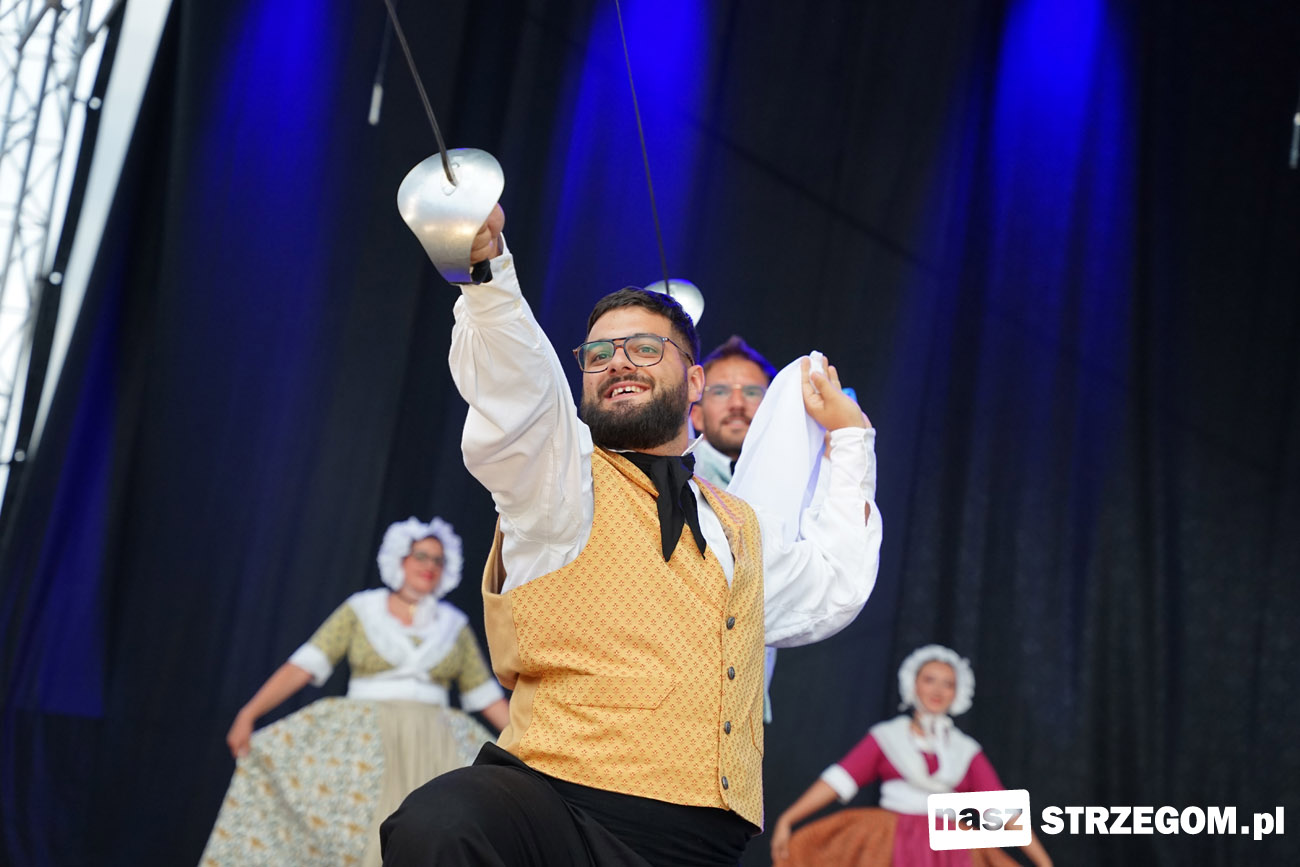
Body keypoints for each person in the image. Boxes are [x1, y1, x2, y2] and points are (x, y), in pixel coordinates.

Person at [380, 206, 883, 866]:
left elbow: (834, 582)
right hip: (554, 807)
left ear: (694, 381)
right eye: (599, 354)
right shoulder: (561, 482)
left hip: (694, 847)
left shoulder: (739, 528)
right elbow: (522, 395)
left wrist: (850, 438)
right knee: (444, 820)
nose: (619, 362)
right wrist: (486, 274)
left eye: (645, 348)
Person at [200, 517, 509, 867]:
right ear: (399, 558)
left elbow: (487, 697)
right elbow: (303, 665)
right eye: (421, 556)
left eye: (438, 560)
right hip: (365, 737)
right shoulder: (363, 610)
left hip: (436, 742)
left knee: (437, 829)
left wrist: (530, 740)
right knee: (353, 830)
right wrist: (249, 713)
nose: (430, 566)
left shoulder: (453, 625)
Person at [770, 645, 1053, 867]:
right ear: (913, 684)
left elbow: (1004, 811)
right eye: (929, 680)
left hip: (950, 852)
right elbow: (840, 779)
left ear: (957, 692)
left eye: (948, 683)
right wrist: (788, 819)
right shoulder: (888, 737)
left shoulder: (965, 750)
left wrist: (1044, 863)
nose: (938, 690)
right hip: (889, 840)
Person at [689, 335, 782, 723]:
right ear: (695, 415)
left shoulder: (791, 490)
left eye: (753, 392)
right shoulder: (674, 478)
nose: (738, 403)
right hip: (673, 704)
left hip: (745, 714)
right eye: (721, 391)